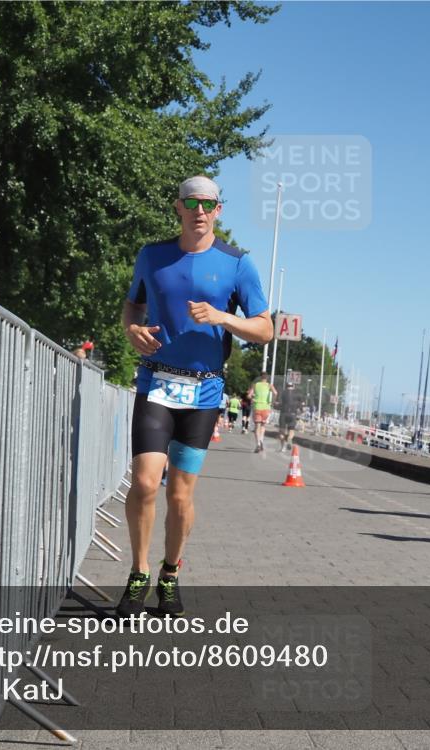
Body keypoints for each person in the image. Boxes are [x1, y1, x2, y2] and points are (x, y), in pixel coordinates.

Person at [116, 175, 272, 617]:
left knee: (180, 496)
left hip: (204, 392)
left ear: (218, 210)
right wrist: (132, 330)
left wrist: (224, 317)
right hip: (156, 381)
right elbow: (133, 304)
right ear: (178, 208)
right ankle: (138, 572)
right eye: (192, 203)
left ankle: (169, 573)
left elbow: (265, 328)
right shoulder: (153, 256)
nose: (200, 211)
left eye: (208, 204)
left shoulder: (237, 264)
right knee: (146, 482)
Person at [247, 371, 277, 455]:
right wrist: (272, 402)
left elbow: (249, 395)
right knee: (263, 426)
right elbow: (275, 393)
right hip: (266, 407)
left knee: (257, 426)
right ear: (267, 378)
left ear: (260, 377)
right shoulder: (269, 385)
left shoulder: (255, 385)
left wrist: (253, 399)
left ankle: (258, 444)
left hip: (257, 407)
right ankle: (261, 440)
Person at [277, 381, 303, 453]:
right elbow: (301, 405)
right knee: (291, 430)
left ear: (286, 386)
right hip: (293, 414)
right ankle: (289, 439)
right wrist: (301, 410)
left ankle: (283, 447)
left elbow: (278, 403)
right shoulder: (297, 394)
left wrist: (277, 406)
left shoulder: (282, 393)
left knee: (281, 432)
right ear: (293, 386)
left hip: (283, 414)